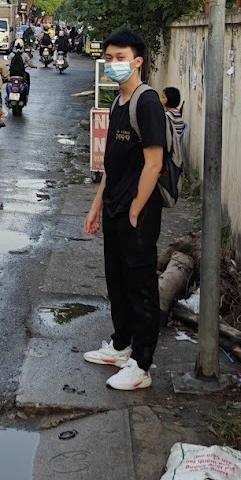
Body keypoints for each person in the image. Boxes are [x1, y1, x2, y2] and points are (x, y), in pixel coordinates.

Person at [82, 30, 167, 391]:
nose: (114, 63)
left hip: (138, 213)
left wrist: (135, 208)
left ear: (137, 61)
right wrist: (96, 206)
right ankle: (121, 346)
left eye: (121, 57)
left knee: (141, 287)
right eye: (110, 57)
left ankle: (142, 365)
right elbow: (111, 165)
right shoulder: (119, 102)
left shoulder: (146, 103)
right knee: (116, 281)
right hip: (115, 207)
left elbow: (153, 163)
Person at [4, 39, 33, 104]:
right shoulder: (25, 55)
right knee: (27, 79)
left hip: (12, 74)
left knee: (7, 81)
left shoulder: (11, 54)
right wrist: (34, 66)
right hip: (21, 74)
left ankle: (8, 96)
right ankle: (26, 94)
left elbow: (8, 63)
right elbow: (30, 64)